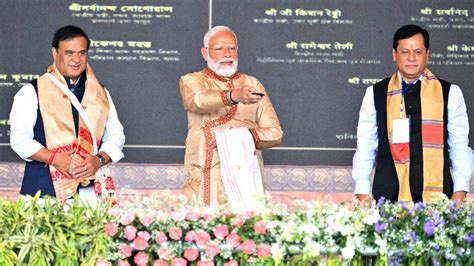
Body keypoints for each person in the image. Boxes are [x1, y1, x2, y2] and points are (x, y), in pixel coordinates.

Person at [352, 24, 471, 203]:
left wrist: (460, 190)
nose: (412, 58)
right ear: (394, 55)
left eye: (418, 51)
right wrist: (361, 191)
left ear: (427, 55)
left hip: (438, 199)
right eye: (405, 52)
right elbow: (366, 145)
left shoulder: (450, 92)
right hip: (388, 198)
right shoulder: (375, 93)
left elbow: (459, 145)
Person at [10, 25, 125, 204]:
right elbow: (20, 140)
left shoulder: (100, 93)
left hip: (90, 194)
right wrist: (55, 158)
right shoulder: (32, 91)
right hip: (43, 194)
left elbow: (116, 135)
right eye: (69, 53)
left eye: (82, 53)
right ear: (55, 53)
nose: (76, 59)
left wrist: (99, 160)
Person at [179, 25, 283, 206]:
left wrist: (240, 139)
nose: (227, 53)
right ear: (205, 53)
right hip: (207, 175)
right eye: (219, 48)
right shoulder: (192, 80)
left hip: (246, 176)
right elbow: (197, 101)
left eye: (232, 48)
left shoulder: (252, 83)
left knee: (247, 232)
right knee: (202, 231)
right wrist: (233, 96)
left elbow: (275, 133)